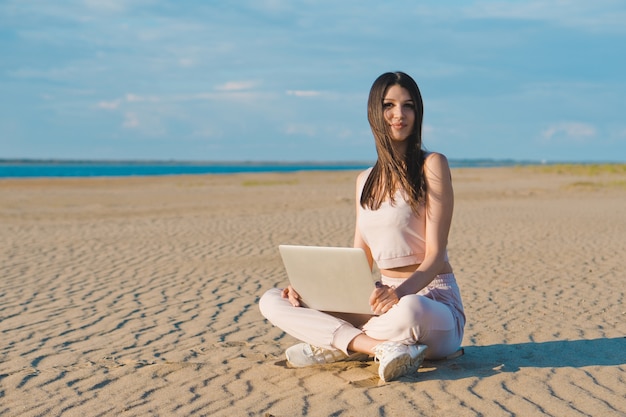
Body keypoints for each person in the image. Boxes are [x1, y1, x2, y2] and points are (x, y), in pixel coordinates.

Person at [259, 71, 465, 383]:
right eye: (389, 105)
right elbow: (360, 260)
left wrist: (398, 295)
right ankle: (377, 347)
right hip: (379, 305)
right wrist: (311, 291)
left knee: (410, 310)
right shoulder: (363, 181)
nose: (399, 114)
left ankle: (338, 343)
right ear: (374, 112)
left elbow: (435, 256)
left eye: (408, 106)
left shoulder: (432, 164)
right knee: (274, 299)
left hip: (430, 302)